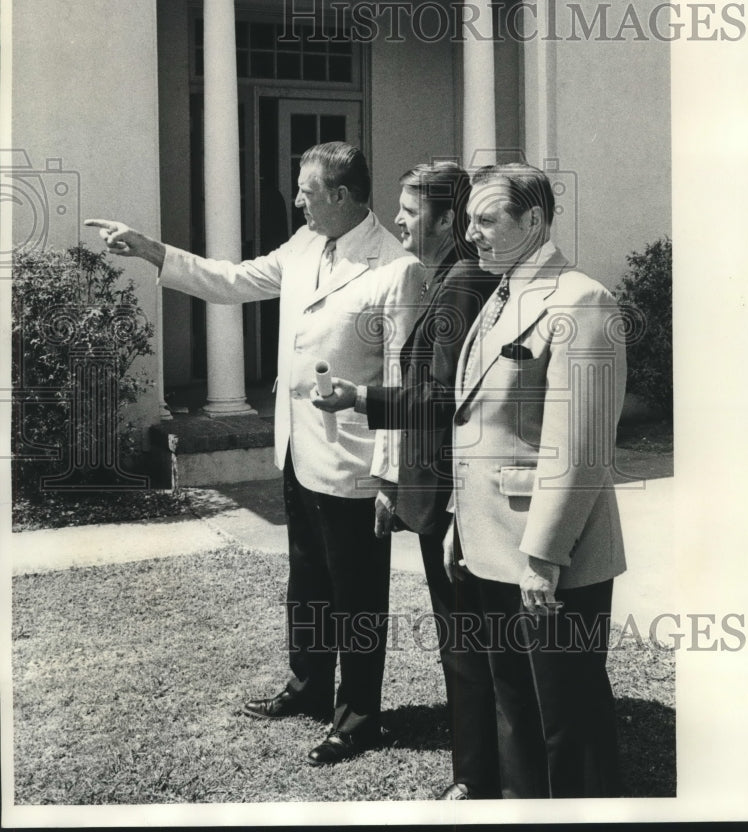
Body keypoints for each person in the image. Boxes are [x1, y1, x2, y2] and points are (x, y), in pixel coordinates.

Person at [85, 142, 425, 766]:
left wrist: (391, 478)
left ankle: (358, 719)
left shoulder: (395, 269)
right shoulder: (303, 245)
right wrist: (150, 248)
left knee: (357, 597)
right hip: (298, 450)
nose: (296, 200)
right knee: (309, 585)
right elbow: (234, 280)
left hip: (354, 463)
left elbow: (403, 383)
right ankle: (308, 688)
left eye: (307, 191)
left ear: (343, 196)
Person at [311, 161, 499, 798]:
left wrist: (361, 398)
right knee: (465, 637)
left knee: (465, 643)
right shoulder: (448, 275)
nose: (397, 220)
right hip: (440, 488)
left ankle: (476, 779)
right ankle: (482, 769)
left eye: (411, 212)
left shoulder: (459, 284)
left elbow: (441, 396)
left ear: (448, 221)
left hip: (451, 491)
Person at [444, 162, 627, 799]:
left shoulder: (582, 299)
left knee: (566, 722)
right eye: (469, 221)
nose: (472, 235)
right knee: (515, 709)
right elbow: (479, 418)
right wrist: (458, 521)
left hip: (550, 557)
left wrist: (544, 557)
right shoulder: (500, 292)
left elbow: (579, 448)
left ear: (534, 221)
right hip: (492, 545)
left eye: (487, 220)